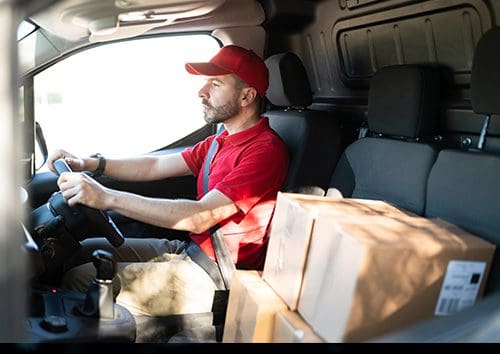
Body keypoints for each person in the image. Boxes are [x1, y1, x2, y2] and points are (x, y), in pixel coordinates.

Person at [46, 45, 290, 317]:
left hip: (215, 275)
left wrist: (106, 197)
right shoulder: (219, 141)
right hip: (192, 251)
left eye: (215, 84)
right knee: (82, 250)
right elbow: (155, 165)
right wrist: (91, 163)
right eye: (204, 83)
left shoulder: (265, 151)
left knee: (81, 280)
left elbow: (201, 217)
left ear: (246, 96)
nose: (201, 92)